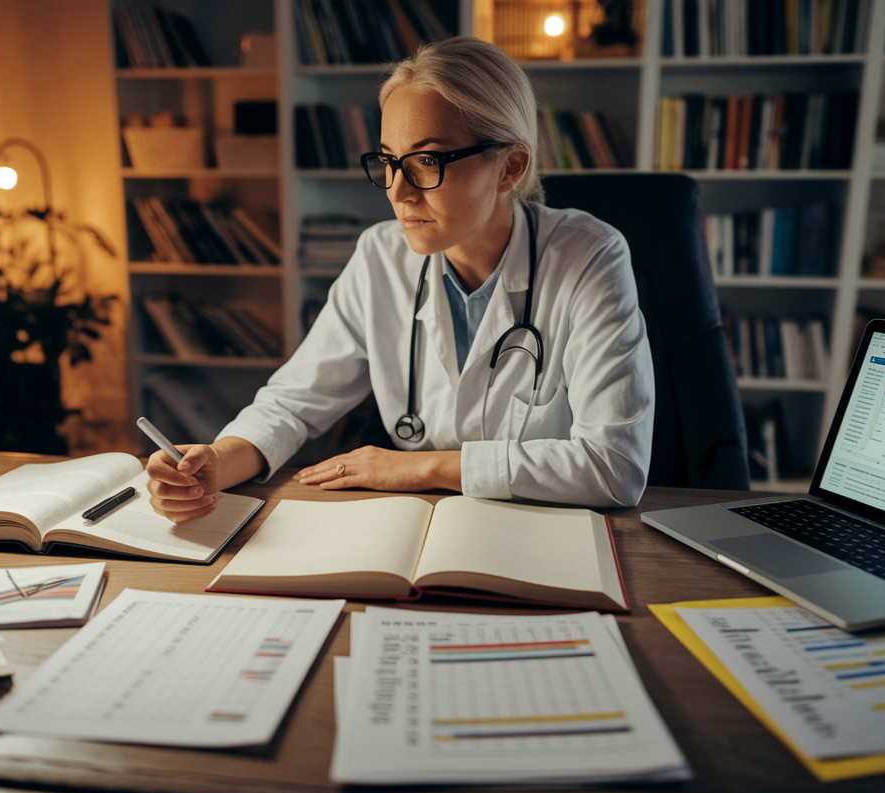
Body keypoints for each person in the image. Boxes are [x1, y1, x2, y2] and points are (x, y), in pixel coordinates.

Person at [147, 36, 653, 523]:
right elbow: (294, 404)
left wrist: (421, 466)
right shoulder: (380, 256)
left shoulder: (589, 256)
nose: (398, 191)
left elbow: (616, 467)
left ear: (510, 167)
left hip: (545, 528)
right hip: (421, 524)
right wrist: (218, 461)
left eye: (427, 160)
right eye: (389, 161)